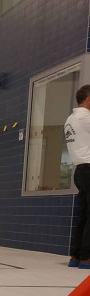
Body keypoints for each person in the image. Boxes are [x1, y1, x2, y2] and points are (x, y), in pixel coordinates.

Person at [64, 84, 90, 268]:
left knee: (83, 214)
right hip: (89, 169)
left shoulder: (70, 119)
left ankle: (76, 256)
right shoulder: (86, 117)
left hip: (80, 171)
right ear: (89, 100)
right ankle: (87, 257)